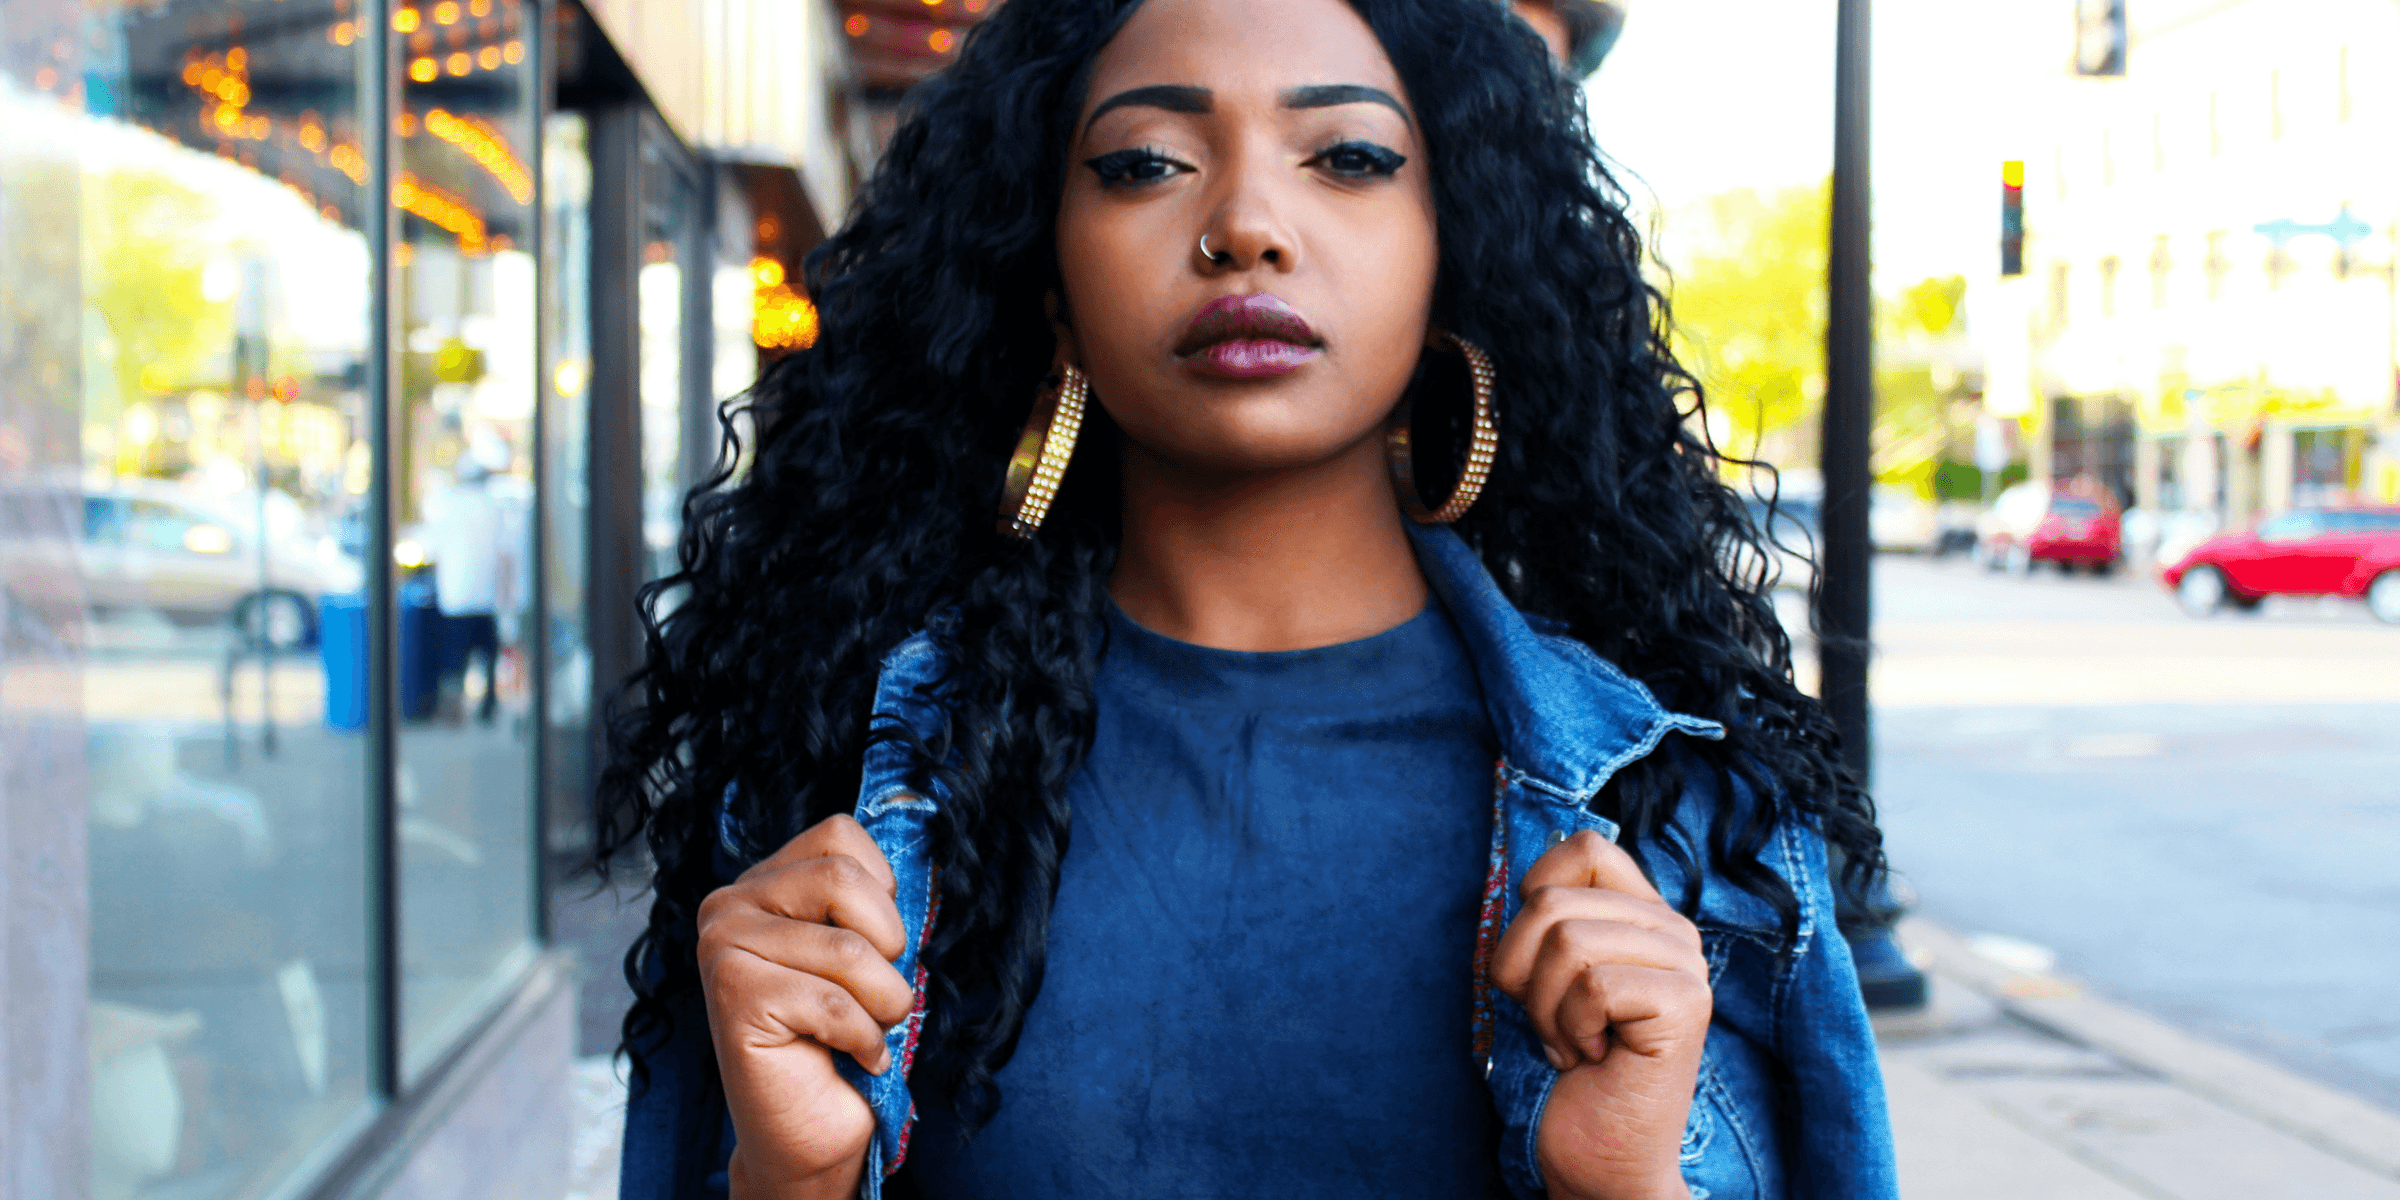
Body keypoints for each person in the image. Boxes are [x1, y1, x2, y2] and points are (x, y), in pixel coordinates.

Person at [603, 1, 1898, 1197]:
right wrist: (794, 1177)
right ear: (1046, 271)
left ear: (1454, 244)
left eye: (1346, 157)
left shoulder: (1687, 825)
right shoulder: (822, 789)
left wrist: (1626, 1186)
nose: (1245, 226)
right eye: (1146, 162)